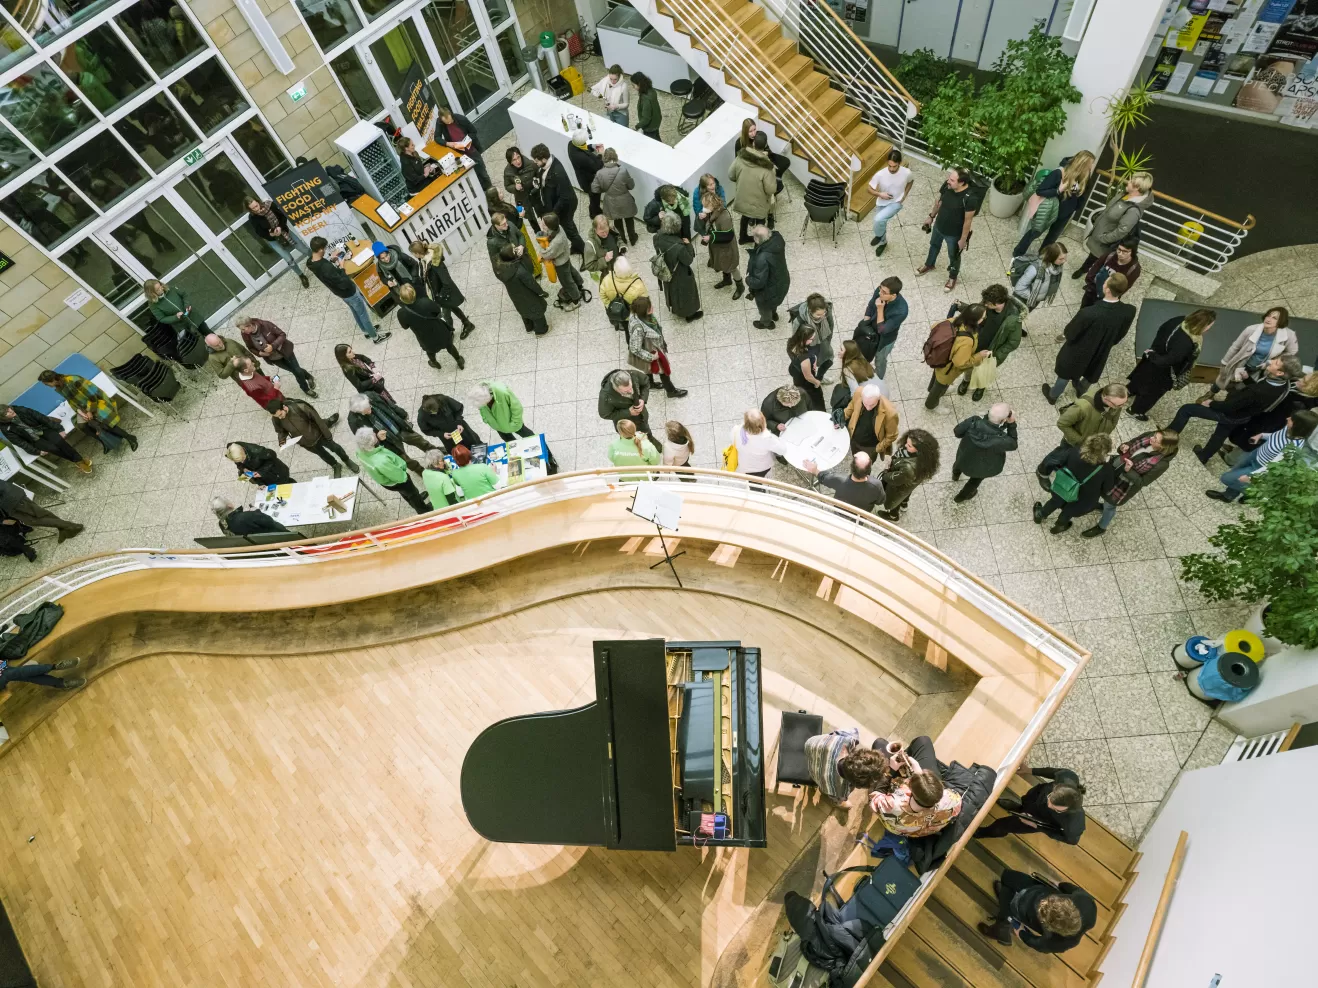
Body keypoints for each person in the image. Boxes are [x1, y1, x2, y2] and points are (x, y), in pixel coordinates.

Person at [1168, 354, 1300, 464]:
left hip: (1231, 413)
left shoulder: (1258, 391)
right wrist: (1248, 381)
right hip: (1243, 416)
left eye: (1276, 363)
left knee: (1186, 409)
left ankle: (1168, 438)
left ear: (1280, 372)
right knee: (1220, 434)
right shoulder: (1283, 384)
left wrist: (1211, 403)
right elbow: (1258, 396)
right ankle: (1203, 456)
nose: (1271, 361)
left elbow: (1230, 407)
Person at [1045, 272, 1135, 405]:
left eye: (1105, 282)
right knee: (1090, 372)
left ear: (1107, 290)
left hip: (1078, 350)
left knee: (1066, 372)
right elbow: (1120, 334)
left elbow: (1070, 334)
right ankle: (1080, 389)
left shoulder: (1088, 313)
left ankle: (1053, 395)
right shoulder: (1129, 310)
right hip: (1101, 350)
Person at [1208, 410, 1318, 502]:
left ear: (1297, 425)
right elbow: (1275, 436)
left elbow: (1273, 466)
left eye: (1291, 420)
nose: (1287, 419)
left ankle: (1252, 494)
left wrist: (1252, 476)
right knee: (1235, 472)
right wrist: (1261, 435)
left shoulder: (1293, 448)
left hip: (1260, 466)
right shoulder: (1288, 429)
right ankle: (1229, 496)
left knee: (1227, 478)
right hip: (1256, 453)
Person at [1085, 429, 1178, 536]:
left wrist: (1129, 471)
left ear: (1163, 447)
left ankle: (1101, 527)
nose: (1151, 438)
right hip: (1116, 466)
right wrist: (1125, 446)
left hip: (1124, 484)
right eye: (1154, 435)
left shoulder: (1162, 464)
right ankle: (1103, 506)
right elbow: (1131, 442)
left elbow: (1143, 482)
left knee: (1110, 504)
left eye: (1155, 439)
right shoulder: (1150, 435)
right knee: (1102, 488)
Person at [868, 734, 962, 840]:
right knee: (923, 740)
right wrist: (918, 772)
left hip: (899, 826)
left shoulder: (892, 805)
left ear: (909, 787)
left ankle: (895, 764)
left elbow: (874, 800)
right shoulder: (953, 800)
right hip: (921, 829)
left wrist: (891, 770)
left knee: (879, 744)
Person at [978, 870, 1097, 954]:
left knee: (1007, 881)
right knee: (1008, 878)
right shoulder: (1087, 906)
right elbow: (1035, 943)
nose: (1042, 902)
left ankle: (1002, 925)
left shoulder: (1088, 905)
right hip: (1033, 900)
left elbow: (1065, 886)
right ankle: (1006, 906)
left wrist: (1018, 928)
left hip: (1025, 904)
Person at [1127, 308, 1214, 420]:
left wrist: (1152, 353)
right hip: (1163, 372)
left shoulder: (1179, 320)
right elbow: (1169, 360)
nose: (1209, 328)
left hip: (1152, 359)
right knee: (1151, 393)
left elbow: (1161, 330)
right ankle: (1135, 411)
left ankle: (1129, 390)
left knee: (1140, 378)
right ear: (1202, 325)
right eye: (1209, 325)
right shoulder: (1186, 342)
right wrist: (1155, 357)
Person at [1014, 151, 1096, 257]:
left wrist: (1076, 208)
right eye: (1089, 165)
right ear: (1082, 164)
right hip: (1049, 211)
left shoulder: (1085, 178)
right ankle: (1018, 253)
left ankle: (1042, 257)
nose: (1091, 168)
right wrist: (1058, 191)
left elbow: (1083, 195)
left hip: (1064, 214)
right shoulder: (1059, 173)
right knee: (1034, 233)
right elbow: (1040, 191)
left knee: (1052, 238)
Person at [307, 236, 389, 343]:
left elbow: (329, 275)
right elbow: (343, 282)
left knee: (355, 311)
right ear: (321, 249)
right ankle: (375, 337)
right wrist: (341, 266)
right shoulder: (325, 267)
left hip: (340, 293)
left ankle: (366, 331)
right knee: (363, 313)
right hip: (349, 292)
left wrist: (333, 259)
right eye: (325, 248)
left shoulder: (311, 262)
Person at [1037, 383, 1128, 477]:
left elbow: (1113, 421)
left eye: (1123, 403)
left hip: (1090, 443)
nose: (1121, 407)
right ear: (1105, 398)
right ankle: (1042, 472)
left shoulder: (1116, 404)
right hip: (1073, 442)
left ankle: (1061, 467)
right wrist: (1079, 441)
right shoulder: (1083, 407)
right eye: (1119, 405)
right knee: (1058, 456)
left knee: (1071, 459)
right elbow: (1062, 423)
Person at [1074, 171, 1152, 279]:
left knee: (1100, 262)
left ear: (1137, 187)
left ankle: (1092, 281)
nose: (1127, 182)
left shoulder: (1134, 210)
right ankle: (1084, 269)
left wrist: (1104, 238)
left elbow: (1122, 231)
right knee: (1093, 255)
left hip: (1105, 242)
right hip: (1100, 235)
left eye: (1131, 181)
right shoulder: (1124, 195)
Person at [977, 768, 1086, 845]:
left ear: (1067, 810)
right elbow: (1054, 772)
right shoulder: (1068, 777)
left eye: (1055, 808)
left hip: (1036, 819)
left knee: (1002, 825)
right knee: (1025, 802)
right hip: (1034, 797)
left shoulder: (1074, 823)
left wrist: (1036, 826)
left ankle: (983, 833)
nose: (1048, 804)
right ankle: (1018, 808)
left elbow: (1072, 840)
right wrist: (1030, 770)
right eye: (1050, 797)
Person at [1034, 433, 1116, 535]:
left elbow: (1061, 463)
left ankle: (1040, 515)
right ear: (1105, 452)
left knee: (1054, 501)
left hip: (1064, 487)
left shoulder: (1075, 451)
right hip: (1082, 500)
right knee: (1068, 511)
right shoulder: (1105, 469)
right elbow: (1107, 488)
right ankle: (1059, 526)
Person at [470, 381, 560, 473]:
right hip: (499, 426)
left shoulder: (502, 392)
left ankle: (550, 460)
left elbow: (517, 408)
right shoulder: (479, 397)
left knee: (533, 439)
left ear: (488, 398)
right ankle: (527, 461)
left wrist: (515, 423)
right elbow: (482, 410)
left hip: (514, 424)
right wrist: (487, 420)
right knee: (512, 445)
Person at [38, 371, 137, 452]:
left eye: (47, 384)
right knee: (82, 426)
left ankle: (130, 437)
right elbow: (71, 401)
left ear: (54, 379)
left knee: (103, 421)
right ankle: (104, 442)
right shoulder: (59, 387)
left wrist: (90, 411)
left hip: (97, 401)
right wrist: (80, 412)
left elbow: (92, 396)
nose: (47, 386)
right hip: (83, 407)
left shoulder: (74, 380)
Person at [916, 165, 977, 293]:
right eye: (949, 178)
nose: (948, 181)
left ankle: (952, 277)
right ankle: (929, 264)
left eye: (952, 180)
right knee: (933, 245)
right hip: (939, 226)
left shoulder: (970, 198)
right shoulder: (947, 186)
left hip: (954, 234)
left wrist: (963, 239)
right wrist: (931, 217)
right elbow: (939, 202)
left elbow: (968, 221)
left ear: (962, 183)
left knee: (953, 256)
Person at [1212, 307, 1298, 394]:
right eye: (1268, 316)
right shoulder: (1251, 329)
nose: (1269, 319)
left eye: (1274, 318)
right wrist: (1225, 363)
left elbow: (1291, 352)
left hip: (1259, 369)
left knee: (1241, 389)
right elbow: (1235, 347)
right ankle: (1210, 393)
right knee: (1223, 380)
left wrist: (1272, 361)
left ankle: (1229, 400)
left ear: (1280, 322)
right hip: (1240, 363)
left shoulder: (1288, 336)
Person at [961, 285, 1024, 402]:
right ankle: (966, 381)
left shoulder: (1013, 318)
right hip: (975, 345)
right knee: (969, 366)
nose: (985, 305)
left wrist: (998, 355)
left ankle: (981, 387)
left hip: (992, 351)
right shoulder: (986, 305)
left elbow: (1013, 342)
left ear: (999, 303)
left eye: (989, 303)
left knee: (984, 372)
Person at [267, 397, 355, 478]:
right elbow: (281, 431)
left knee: (335, 448)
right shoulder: (276, 418)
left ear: (284, 407)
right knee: (323, 455)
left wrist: (328, 436)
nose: (280, 417)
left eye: (280, 414)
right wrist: (282, 439)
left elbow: (318, 420)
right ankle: (335, 465)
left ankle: (346, 460)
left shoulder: (300, 407)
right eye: (277, 416)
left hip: (319, 435)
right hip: (306, 443)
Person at [925, 304, 989, 411]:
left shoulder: (954, 320)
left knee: (937, 379)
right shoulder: (967, 340)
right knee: (940, 387)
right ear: (975, 320)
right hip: (948, 369)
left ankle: (931, 389)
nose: (984, 319)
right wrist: (979, 356)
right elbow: (960, 363)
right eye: (983, 317)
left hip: (940, 359)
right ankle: (932, 405)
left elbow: (934, 326)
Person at [354, 428, 430, 514]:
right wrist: (405, 476)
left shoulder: (360, 451)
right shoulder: (381, 461)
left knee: (405, 493)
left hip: (386, 481)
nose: (376, 434)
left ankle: (414, 502)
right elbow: (400, 477)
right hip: (398, 480)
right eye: (374, 435)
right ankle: (423, 510)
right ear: (371, 443)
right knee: (412, 493)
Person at [804, 731, 894, 805]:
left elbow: (849, 732)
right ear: (857, 786)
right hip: (815, 774)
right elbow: (841, 791)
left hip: (811, 746)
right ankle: (837, 803)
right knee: (838, 798)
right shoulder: (841, 790)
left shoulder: (846, 741)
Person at [951, 404, 1017, 503]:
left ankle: (955, 475)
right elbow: (1013, 444)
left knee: (958, 464)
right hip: (983, 467)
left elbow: (957, 432)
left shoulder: (974, 421)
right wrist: (1011, 424)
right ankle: (960, 497)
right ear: (1004, 420)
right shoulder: (1002, 439)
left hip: (965, 457)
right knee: (975, 481)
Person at [0, 403, 91, 474]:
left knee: (60, 441)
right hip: (33, 439)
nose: (10, 411)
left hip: (42, 429)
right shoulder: (5, 428)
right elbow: (19, 442)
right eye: (7, 412)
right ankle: (79, 461)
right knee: (53, 448)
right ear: (3, 418)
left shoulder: (21, 410)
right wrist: (36, 451)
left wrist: (59, 429)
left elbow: (41, 417)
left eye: (9, 408)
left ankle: (78, 461)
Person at [409, 240, 474, 337]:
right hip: (437, 292)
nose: (413, 255)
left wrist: (441, 295)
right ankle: (467, 324)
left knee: (446, 315)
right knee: (453, 307)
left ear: (417, 253)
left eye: (413, 253)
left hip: (443, 293)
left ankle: (450, 333)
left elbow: (446, 280)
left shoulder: (435, 263)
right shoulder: (423, 261)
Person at [238, 315, 316, 397]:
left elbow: (282, 335)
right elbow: (250, 347)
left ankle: (305, 389)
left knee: (297, 371)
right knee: (294, 370)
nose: (242, 331)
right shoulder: (245, 335)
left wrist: (273, 346)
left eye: (243, 329)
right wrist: (260, 353)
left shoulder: (265, 325)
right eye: (241, 330)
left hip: (285, 351)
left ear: (250, 325)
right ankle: (309, 376)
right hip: (274, 358)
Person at [242, 194, 309, 287]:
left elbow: (283, 216)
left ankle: (318, 262)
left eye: (256, 206)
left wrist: (280, 227)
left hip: (285, 232)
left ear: (258, 201)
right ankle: (301, 275)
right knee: (289, 259)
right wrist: (270, 234)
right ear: (249, 209)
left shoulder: (270, 205)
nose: (256, 209)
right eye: (253, 208)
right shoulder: (252, 217)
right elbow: (259, 232)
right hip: (273, 240)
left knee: (303, 249)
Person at [628, 297, 688, 398]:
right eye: (649, 307)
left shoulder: (638, 316)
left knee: (648, 368)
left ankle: (650, 384)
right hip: (651, 351)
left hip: (650, 346)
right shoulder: (638, 329)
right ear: (644, 311)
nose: (652, 307)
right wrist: (652, 357)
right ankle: (671, 391)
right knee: (663, 370)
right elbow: (635, 349)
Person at [531, 144, 584, 256]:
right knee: (569, 228)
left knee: (570, 230)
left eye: (537, 161)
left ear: (544, 159)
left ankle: (584, 251)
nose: (536, 163)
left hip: (565, 206)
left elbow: (564, 196)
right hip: (556, 203)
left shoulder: (558, 172)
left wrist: (553, 213)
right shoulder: (547, 165)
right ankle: (576, 246)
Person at [396, 284, 465, 370]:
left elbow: (405, 327)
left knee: (430, 351)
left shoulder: (401, 313)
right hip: (439, 330)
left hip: (424, 337)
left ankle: (434, 362)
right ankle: (459, 361)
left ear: (401, 298)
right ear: (414, 293)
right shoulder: (425, 302)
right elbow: (437, 311)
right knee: (449, 346)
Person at [876, 429, 939, 522]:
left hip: (900, 486)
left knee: (895, 499)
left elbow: (894, 479)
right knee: (905, 494)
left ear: (920, 450)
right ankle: (904, 504)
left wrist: (885, 475)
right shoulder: (926, 458)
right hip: (909, 483)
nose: (905, 445)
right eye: (907, 442)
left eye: (909, 445)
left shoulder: (909, 468)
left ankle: (893, 515)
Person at [0, 476, 83, 543]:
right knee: (40, 513)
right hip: (13, 494)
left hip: (11, 502)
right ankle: (62, 528)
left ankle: (71, 526)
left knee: (33, 520)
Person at [652, 211, 702, 322]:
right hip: (680, 273)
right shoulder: (679, 246)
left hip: (666, 269)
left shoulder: (657, 237)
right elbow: (688, 260)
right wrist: (689, 245)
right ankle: (689, 314)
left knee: (671, 291)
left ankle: (675, 308)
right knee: (685, 293)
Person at [728, 132, 776, 244]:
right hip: (759, 203)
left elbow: (731, 175)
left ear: (753, 143)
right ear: (765, 146)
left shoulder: (741, 157)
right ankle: (759, 243)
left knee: (745, 217)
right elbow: (770, 190)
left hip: (743, 198)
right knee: (760, 221)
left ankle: (742, 237)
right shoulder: (768, 168)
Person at [855, 277, 908, 380]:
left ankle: (878, 380)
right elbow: (870, 306)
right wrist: (865, 323)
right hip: (870, 330)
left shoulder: (901, 310)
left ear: (893, 295)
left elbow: (882, 330)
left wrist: (880, 309)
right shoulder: (880, 291)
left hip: (885, 340)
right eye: (880, 289)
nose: (880, 293)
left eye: (884, 292)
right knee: (863, 352)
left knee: (880, 360)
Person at [599, 367, 663, 451]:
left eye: (631, 387)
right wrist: (628, 412)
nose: (631, 392)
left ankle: (651, 442)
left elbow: (646, 381)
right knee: (630, 439)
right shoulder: (606, 396)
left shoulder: (632, 375)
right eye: (626, 391)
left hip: (642, 418)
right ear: (616, 388)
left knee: (646, 432)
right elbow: (604, 414)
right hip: (626, 424)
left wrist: (643, 399)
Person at [805, 450, 886, 513]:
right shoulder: (877, 485)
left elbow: (824, 478)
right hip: (860, 515)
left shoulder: (839, 480)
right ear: (869, 469)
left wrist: (815, 470)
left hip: (840, 511)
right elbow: (880, 501)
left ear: (851, 467)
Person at [867, 149, 913, 258]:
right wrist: (880, 194)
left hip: (896, 202)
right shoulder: (880, 174)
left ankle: (879, 236)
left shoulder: (907, 173)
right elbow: (869, 189)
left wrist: (904, 195)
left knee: (878, 219)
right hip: (881, 202)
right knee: (880, 223)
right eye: (890, 166)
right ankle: (883, 242)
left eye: (895, 166)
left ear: (899, 163)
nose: (892, 169)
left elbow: (911, 182)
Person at [495, 244, 550, 336]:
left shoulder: (500, 269)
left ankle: (529, 327)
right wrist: (541, 292)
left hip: (515, 295)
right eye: (514, 250)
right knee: (537, 312)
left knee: (524, 310)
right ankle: (541, 330)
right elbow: (531, 283)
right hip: (528, 295)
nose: (516, 249)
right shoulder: (519, 271)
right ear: (511, 256)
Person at [590, 148, 639, 247]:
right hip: (625, 199)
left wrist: (605, 189)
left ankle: (622, 240)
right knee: (629, 219)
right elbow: (631, 186)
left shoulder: (599, 173)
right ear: (615, 157)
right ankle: (633, 238)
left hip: (611, 201)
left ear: (604, 159)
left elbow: (594, 189)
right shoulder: (623, 170)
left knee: (617, 220)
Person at [436, 106, 491, 189]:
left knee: (482, 172)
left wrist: (467, 140)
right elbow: (437, 137)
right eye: (446, 122)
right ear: (441, 119)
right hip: (459, 153)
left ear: (450, 114)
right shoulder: (440, 122)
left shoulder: (461, 119)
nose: (449, 123)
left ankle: (490, 188)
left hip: (471, 149)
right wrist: (447, 143)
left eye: (450, 120)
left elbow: (473, 131)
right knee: (473, 175)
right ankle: (482, 190)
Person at [700, 190, 743, 298]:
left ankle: (740, 286)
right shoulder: (712, 212)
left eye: (706, 205)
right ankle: (727, 280)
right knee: (723, 263)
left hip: (726, 248)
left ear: (713, 204)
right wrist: (704, 218)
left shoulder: (725, 217)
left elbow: (728, 236)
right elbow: (710, 224)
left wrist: (711, 237)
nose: (704, 207)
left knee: (732, 267)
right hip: (718, 246)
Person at [747, 224, 789, 330]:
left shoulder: (762, 257)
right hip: (781, 280)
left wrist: (748, 279)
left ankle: (767, 323)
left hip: (767, 290)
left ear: (757, 239)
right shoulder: (777, 239)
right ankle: (774, 313)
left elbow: (758, 282)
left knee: (764, 308)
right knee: (773, 301)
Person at [842, 383, 898, 459]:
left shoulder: (890, 413)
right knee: (855, 459)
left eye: (872, 405)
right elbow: (851, 407)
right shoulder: (859, 392)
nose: (868, 408)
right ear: (862, 396)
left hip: (870, 447)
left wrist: (876, 449)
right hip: (854, 439)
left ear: (878, 399)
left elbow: (892, 436)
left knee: (865, 466)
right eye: (865, 403)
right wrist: (841, 418)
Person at [1081, 240, 1140, 309]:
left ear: (1132, 252)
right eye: (1119, 249)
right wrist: (1091, 284)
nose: (1120, 253)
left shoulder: (1134, 269)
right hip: (1092, 290)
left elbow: (1124, 287)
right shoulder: (1110, 255)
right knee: (1083, 308)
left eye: (1125, 251)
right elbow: (1095, 268)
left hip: (1107, 296)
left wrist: (1109, 297)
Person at [788, 294, 835, 380]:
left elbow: (830, 326)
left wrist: (828, 340)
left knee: (828, 361)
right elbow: (797, 338)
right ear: (810, 311)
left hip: (823, 341)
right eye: (818, 315)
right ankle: (813, 379)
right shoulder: (799, 321)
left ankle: (820, 377)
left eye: (824, 313)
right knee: (810, 368)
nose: (823, 316)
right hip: (809, 346)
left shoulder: (827, 310)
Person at [417, 392, 483, 453]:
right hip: (449, 437)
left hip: (461, 429)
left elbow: (458, 409)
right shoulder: (422, 416)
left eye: (437, 410)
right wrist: (441, 434)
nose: (436, 413)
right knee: (458, 452)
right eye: (433, 412)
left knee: (475, 443)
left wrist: (458, 422)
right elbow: (426, 430)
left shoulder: (443, 399)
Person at [1012, 242, 1067, 315]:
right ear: (1052, 257)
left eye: (1065, 257)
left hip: (1033, 301)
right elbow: (1019, 289)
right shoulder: (1034, 269)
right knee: (1014, 316)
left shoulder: (1056, 267)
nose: (1064, 261)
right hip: (1022, 300)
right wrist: (1034, 297)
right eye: (1061, 259)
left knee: (1024, 314)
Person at [599, 254, 649, 332]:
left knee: (624, 327)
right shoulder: (637, 284)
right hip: (630, 314)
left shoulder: (607, 280)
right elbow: (644, 302)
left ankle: (618, 326)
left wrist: (610, 305)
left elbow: (602, 294)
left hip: (616, 311)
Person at [730, 409, 786, 478]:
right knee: (759, 479)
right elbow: (782, 450)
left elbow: (733, 442)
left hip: (744, 464)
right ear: (763, 423)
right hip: (760, 467)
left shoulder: (736, 429)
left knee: (753, 481)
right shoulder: (767, 439)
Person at [787, 323, 825, 413]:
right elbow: (808, 376)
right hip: (804, 379)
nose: (812, 341)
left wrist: (814, 358)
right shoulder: (804, 358)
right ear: (804, 338)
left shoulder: (791, 342)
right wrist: (817, 382)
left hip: (794, 369)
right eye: (811, 339)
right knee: (815, 396)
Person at [566, 129, 604, 218]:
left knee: (593, 198)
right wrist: (600, 154)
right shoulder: (582, 158)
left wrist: (592, 146)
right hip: (589, 182)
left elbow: (584, 148)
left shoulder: (571, 144)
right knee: (595, 199)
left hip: (583, 178)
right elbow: (597, 166)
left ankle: (595, 210)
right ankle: (594, 214)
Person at [0, 653, 83, 692]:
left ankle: (61, 683)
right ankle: (55, 667)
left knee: (27, 677)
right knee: (10, 673)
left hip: (3, 667)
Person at [486, 210, 532, 277]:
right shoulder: (491, 242)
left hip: (523, 259)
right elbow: (496, 261)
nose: (507, 225)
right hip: (513, 268)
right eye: (503, 224)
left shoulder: (509, 224)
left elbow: (520, 235)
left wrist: (521, 246)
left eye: (506, 221)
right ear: (496, 225)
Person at [503, 146, 540, 229]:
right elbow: (507, 186)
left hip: (535, 194)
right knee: (531, 219)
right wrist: (515, 187)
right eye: (514, 160)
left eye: (518, 157)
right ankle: (539, 235)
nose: (518, 161)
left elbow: (538, 173)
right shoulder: (508, 172)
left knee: (543, 213)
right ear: (510, 162)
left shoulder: (530, 164)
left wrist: (537, 181)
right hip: (522, 198)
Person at [226, 440, 294, 485]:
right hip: (262, 476)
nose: (242, 462)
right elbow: (239, 464)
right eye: (239, 461)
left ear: (243, 450)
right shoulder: (232, 451)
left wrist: (261, 472)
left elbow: (272, 457)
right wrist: (243, 468)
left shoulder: (258, 451)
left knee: (286, 482)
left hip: (275, 472)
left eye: (243, 459)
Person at [584, 213, 624, 277]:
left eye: (606, 231)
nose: (605, 234)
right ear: (595, 230)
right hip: (606, 276)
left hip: (618, 268)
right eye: (602, 232)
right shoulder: (589, 245)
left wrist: (621, 245)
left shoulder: (612, 229)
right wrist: (604, 260)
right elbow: (589, 266)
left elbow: (618, 238)